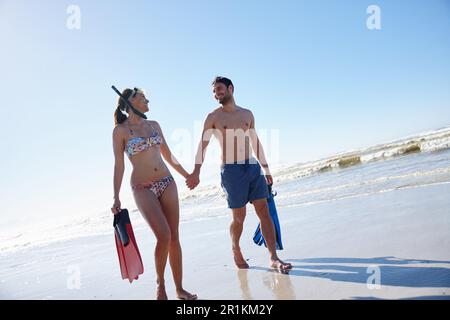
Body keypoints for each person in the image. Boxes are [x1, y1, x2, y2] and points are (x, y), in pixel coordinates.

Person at [186, 77, 292, 271]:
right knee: (239, 217)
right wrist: (196, 172)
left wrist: (266, 169)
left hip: (252, 166)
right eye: (214, 91)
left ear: (230, 88)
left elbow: (255, 143)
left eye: (219, 89)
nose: (216, 93)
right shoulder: (213, 117)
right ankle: (235, 248)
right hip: (231, 170)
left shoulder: (247, 114)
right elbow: (203, 145)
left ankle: (273, 257)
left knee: (264, 212)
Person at [111, 87, 197, 300]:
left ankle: (179, 289)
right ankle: (161, 285)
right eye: (142, 97)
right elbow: (119, 165)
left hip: (167, 182)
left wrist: (188, 174)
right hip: (142, 187)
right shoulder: (120, 131)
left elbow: (168, 155)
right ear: (130, 102)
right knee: (164, 235)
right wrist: (116, 196)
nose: (147, 100)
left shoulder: (154, 125)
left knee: (174, 236)